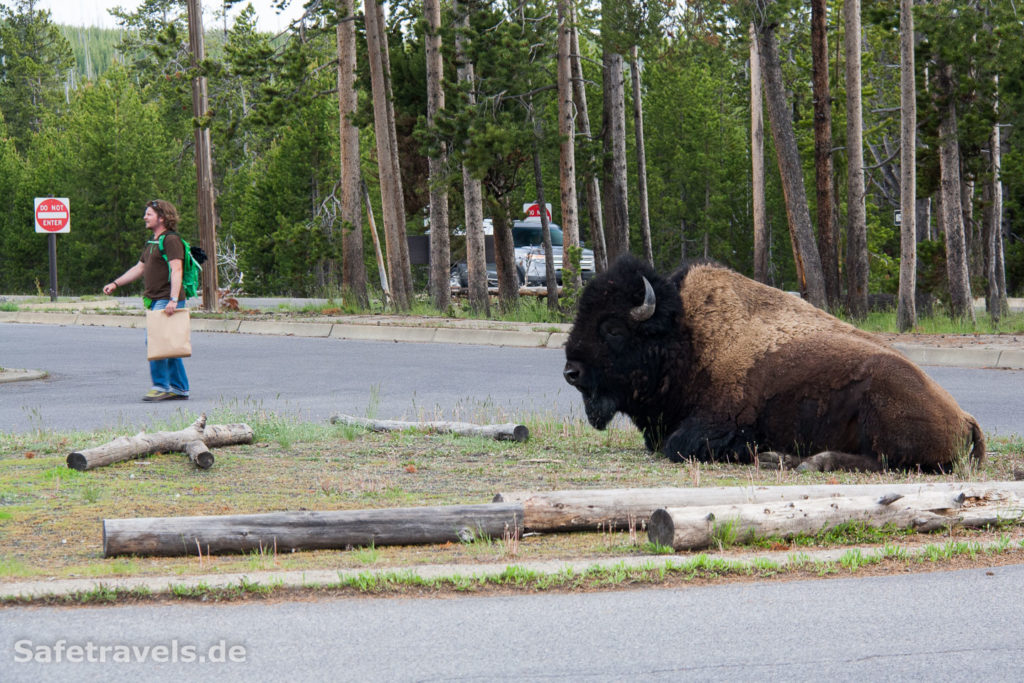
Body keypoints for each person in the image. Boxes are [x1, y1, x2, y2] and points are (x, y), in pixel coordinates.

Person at [102, 199, 190, 402]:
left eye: (149, 214)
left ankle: (161, 386)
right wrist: (116, 283)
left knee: (155, 341)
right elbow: (139, 268)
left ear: (162, 217)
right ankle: (180, 388)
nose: (145, 217)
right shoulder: (153, 242)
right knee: (168, 344)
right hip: (155, 300)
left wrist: (173, 299)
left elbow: (177, 269)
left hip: (166, 299)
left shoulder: (171, 240)